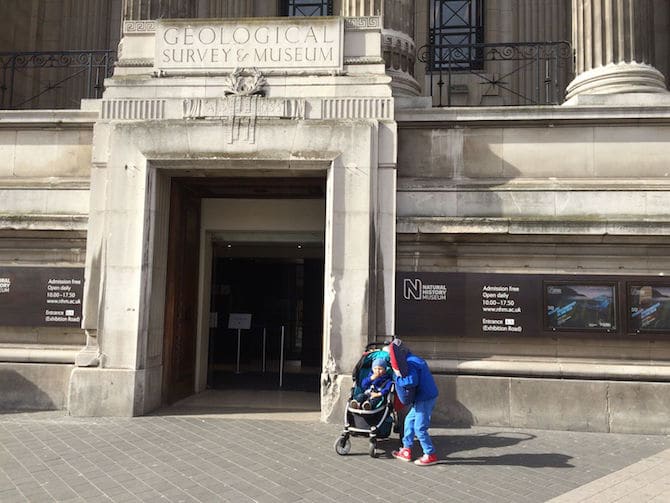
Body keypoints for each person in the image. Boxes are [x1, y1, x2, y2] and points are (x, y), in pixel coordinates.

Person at [388, 339, 439, 466]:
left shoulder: (410, 363)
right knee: (409, 420)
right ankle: (406, 449)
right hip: (425, 396)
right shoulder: (414, 359)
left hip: (424, 398)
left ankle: (430, 454)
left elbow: (411, 381)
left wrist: (398, 380)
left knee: (419, 427)